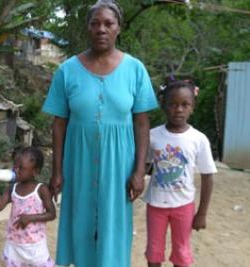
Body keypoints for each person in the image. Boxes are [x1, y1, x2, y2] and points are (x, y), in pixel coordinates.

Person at [41, 0, 158, 266]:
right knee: (80, 220)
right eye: (95, 23)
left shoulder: (135, 69)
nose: (101, 29)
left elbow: (142, 123)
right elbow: (59, 124)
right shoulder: (67, 70)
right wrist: (57, 170)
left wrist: (140, 171)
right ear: (87, 28)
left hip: (120, 165)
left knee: (114, 223)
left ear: (119, 28)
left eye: (108, 23)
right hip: (78, 162)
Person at [143, 79, 217, 267]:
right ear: (163, 105)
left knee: (181, 252)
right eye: (173, 104)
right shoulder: (152, 136)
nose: (179, 110)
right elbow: (146, 166)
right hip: (155, 205)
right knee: (154, 252)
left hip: (184, 206)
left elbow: (208, 176)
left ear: (193, 107)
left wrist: (202, 213)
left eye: (185, 105)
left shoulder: (198, 139)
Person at [0, 147, 56, 267]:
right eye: (15, 166)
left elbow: (52, 214)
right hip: (15, 243)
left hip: (35, 245)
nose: (16, 170)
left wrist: (30, 218)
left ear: (35, 171)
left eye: (21, 168)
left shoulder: (41, 190)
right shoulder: (12, 188)